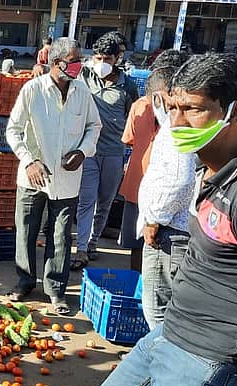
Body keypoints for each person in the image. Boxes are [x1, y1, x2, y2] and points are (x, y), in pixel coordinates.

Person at [90, 52, 237, 386]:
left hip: (203, 361)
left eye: (194, 110)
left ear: (236, 112)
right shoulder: (208, 170)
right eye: (173, 108)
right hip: (166, 336)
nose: (178, 123)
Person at [5, 37, 101, 314]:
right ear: (56, 63)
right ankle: (25, 281)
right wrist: (29, 161)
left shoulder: (82, 92)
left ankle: (56, 291)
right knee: (26, 231)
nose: (79, 67)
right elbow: (13, 130)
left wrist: (83, 152)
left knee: (60, 236)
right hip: (33, 176)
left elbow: (94, 126)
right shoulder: (33, 90)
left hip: (68, 178)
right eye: (74, 62)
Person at [132, 51, 194, 328]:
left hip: (168, 235)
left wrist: (155, 218)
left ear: (161, 95)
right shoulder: (186, 126)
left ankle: (158, 365)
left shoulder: (175, 129)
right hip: (178, 230)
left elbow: (180, 180)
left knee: (157, 309)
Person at [72, 33, 137, 270]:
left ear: (118, 58)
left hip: (113, 151)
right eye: (97, 57)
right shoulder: (84, 75)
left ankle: (92, 242)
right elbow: (62, 70)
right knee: (86, 199)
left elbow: (132, 118)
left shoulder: (127, 86)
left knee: (105, 201)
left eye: (107, 58)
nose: (101, 63)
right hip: (87, 150)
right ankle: (80, 249)